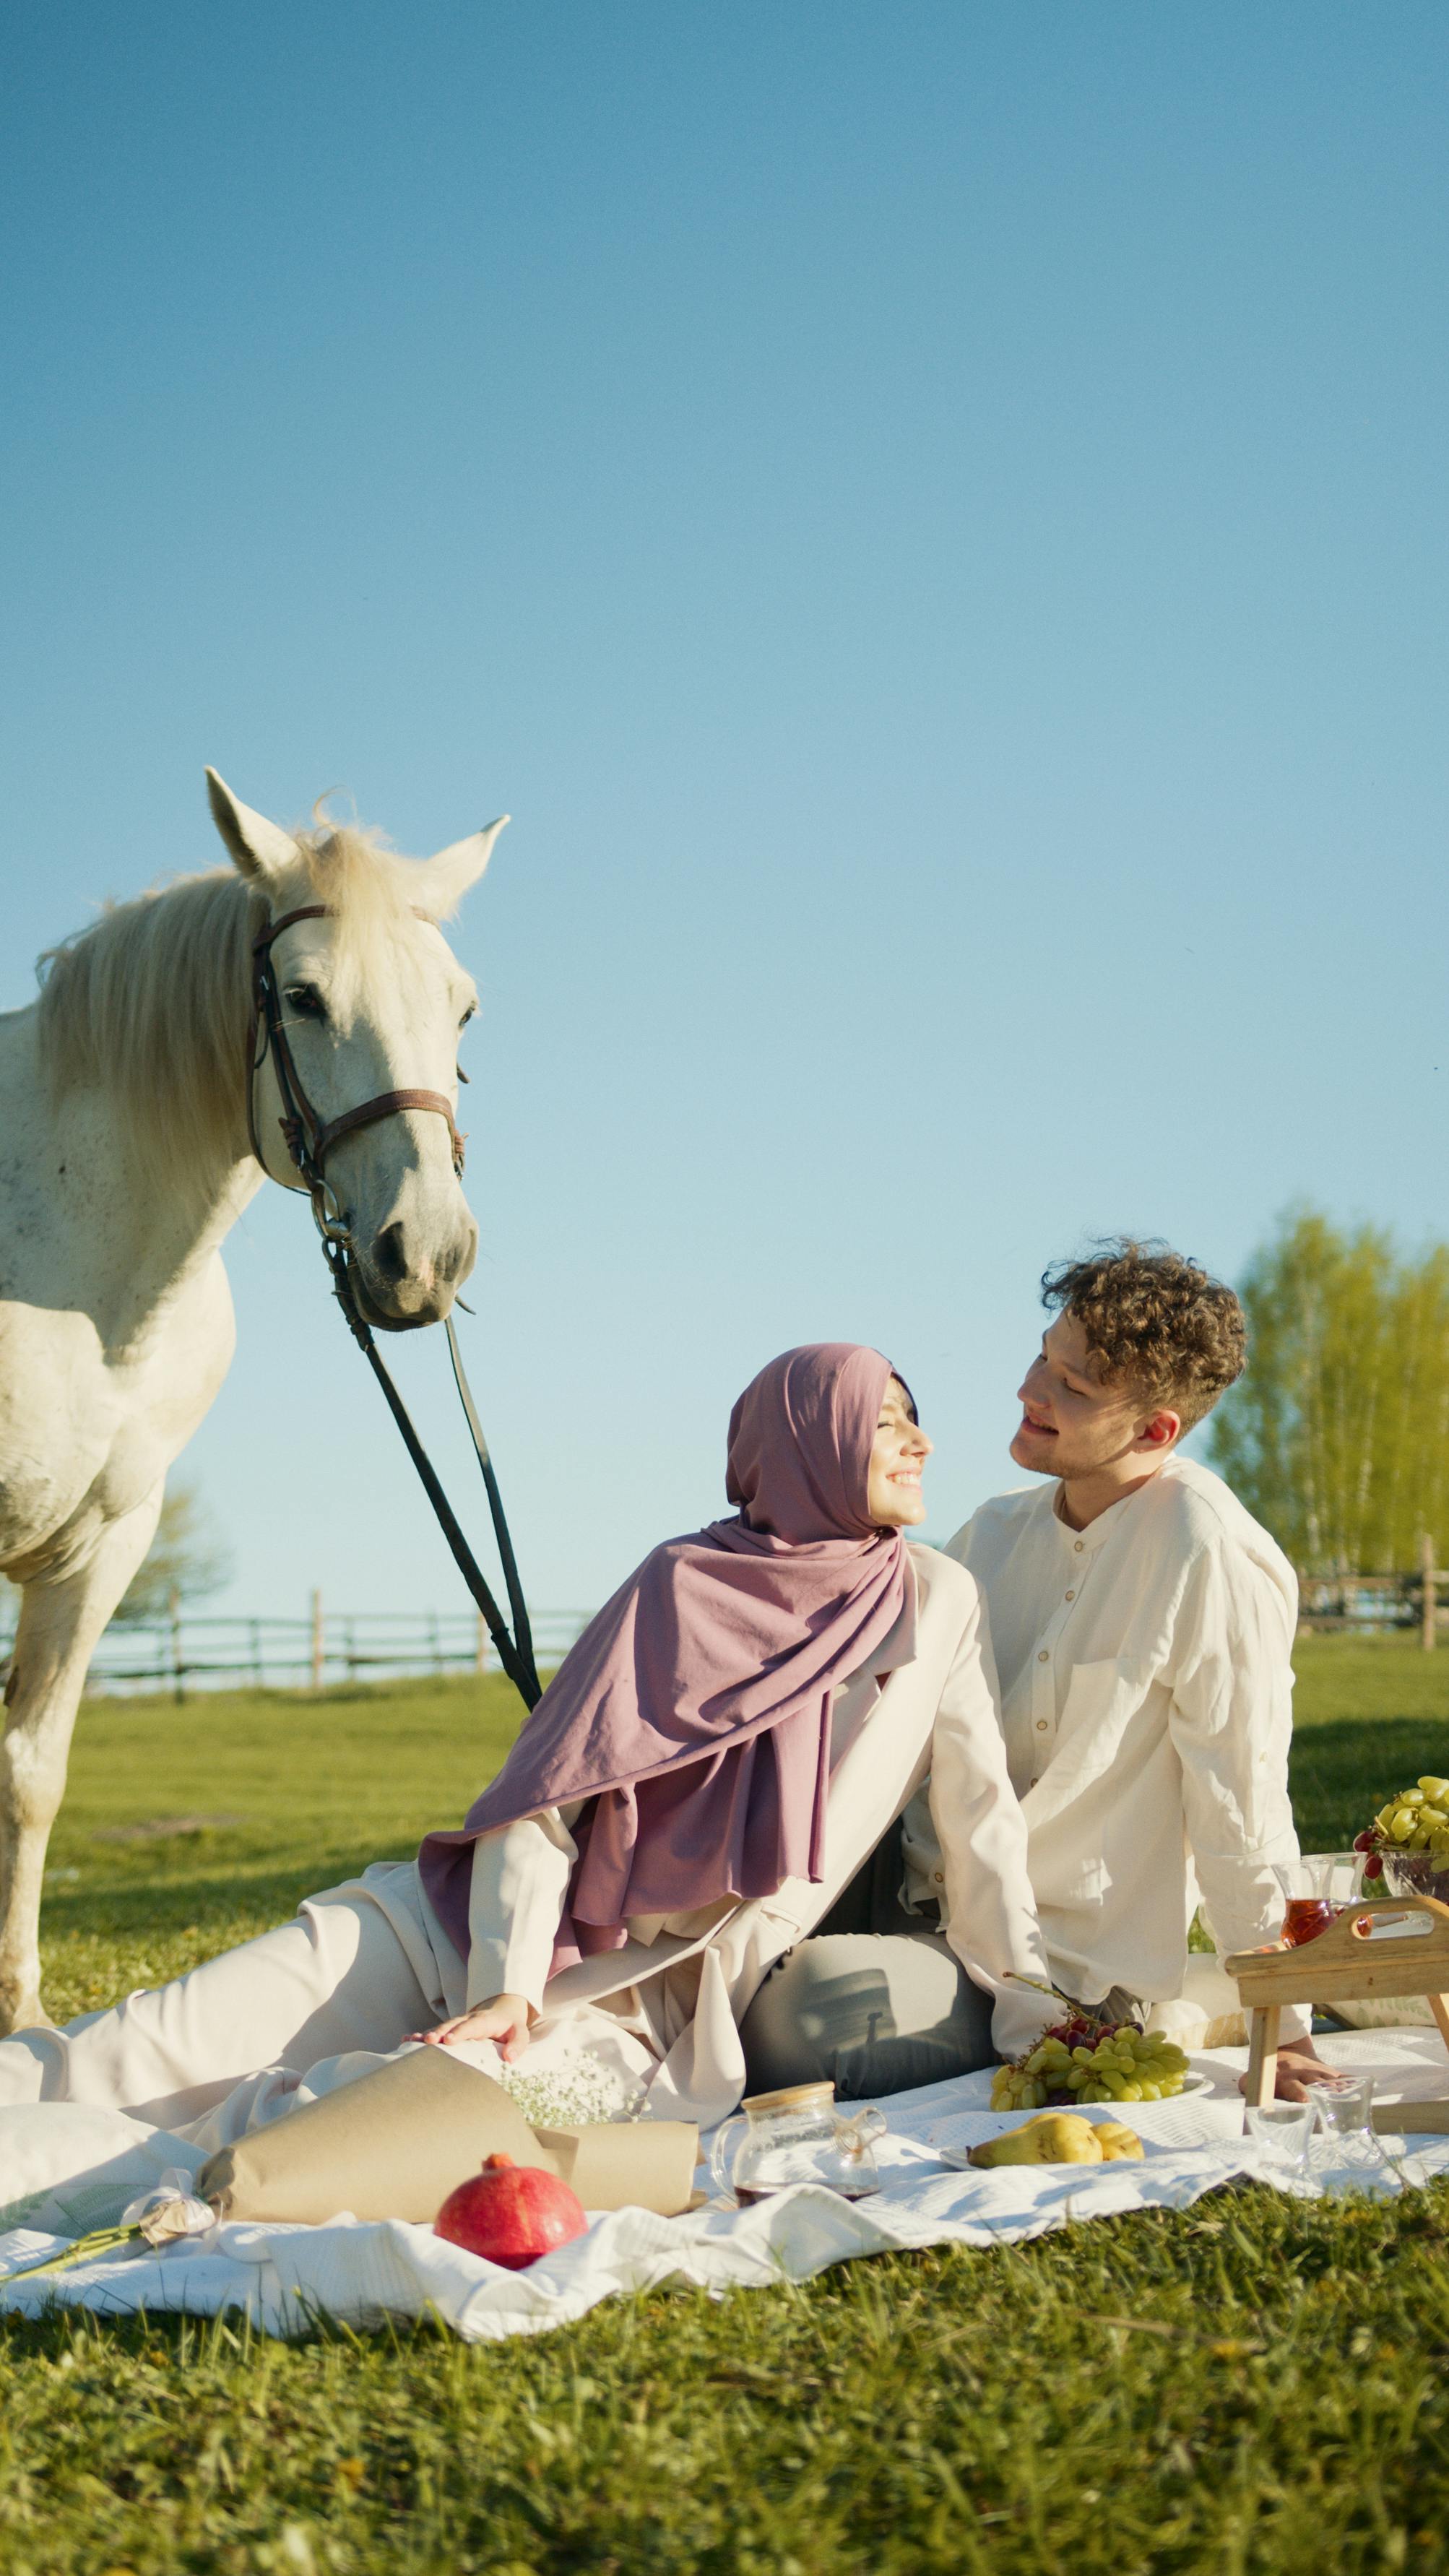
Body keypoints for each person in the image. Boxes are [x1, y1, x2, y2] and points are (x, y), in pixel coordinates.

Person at [0, 1344, 1052, 2180]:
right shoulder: (680, 1585)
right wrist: (505, 1984)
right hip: (439, 1928)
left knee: (295, 2134)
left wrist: (1031, 1999)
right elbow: (542, 1810)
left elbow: (978, 1815)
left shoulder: (934, 1599)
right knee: (119, 2057)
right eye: (886, 1419)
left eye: (913, 1417)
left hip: (631, 2014)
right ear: (806, 1442)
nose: (919, 1440)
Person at [902, 1240, 1328, 2101]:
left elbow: (1238, 1805)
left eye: (1075, 1387)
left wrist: (1282, 2028)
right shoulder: (985, 1535)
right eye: (1043, 1357)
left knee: (808, 2019)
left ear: (1154, 1429)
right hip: (914, 1912)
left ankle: (1193, 2001)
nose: (1032, 1390)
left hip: (1061, 1967)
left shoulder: (1208, 1550)